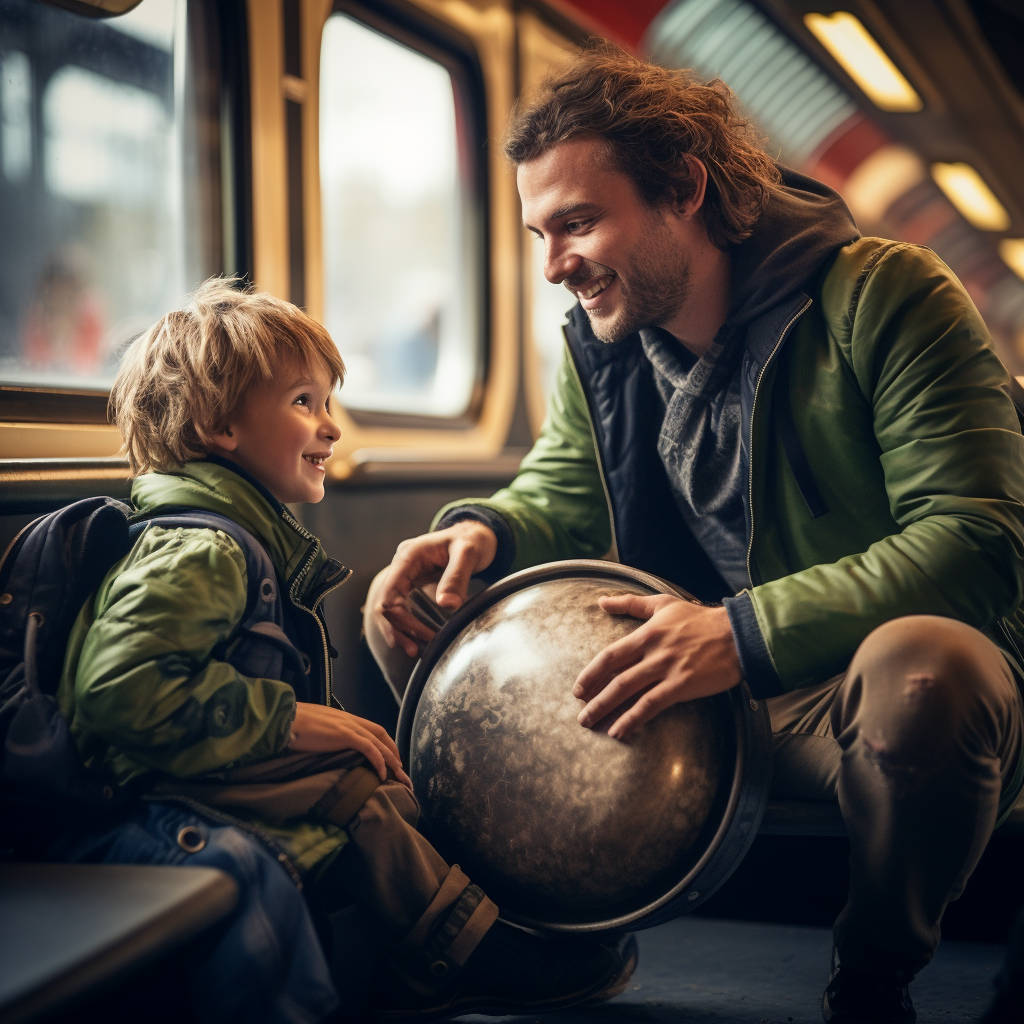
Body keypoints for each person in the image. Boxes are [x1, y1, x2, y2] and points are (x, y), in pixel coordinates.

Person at [368, 44, 1024, 1024]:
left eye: (579, 223)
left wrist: (739, 633)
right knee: (417, 619)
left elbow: (975, 541)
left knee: (925, 668)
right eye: (541, 233)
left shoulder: (891, 297)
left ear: (684, 189)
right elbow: (561, 486)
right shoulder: (605, 340)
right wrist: (480, 531)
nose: (555, 267)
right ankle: (558, 941)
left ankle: (874, 970)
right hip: (701, 672)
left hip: (847, 680)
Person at [48, 278, 634, 1024]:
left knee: (376, 778)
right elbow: (118, 695)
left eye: (328, 402)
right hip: (142, 786)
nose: (331, 428)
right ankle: (456, 959)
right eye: (304, 403)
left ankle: (476, 929)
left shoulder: (233, 538)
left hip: (184, 762)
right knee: (351, 788)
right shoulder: (197, 551)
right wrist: (298, 724)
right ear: (221, 426)